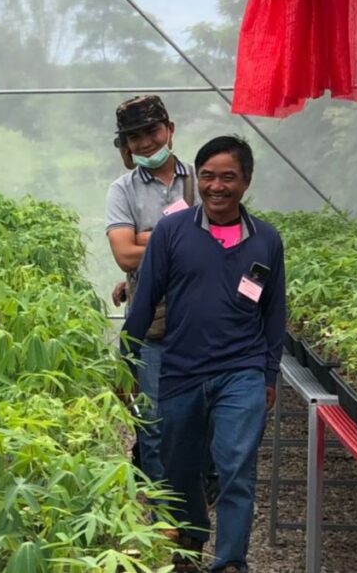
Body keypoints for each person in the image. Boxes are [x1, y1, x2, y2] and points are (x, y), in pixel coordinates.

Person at [122, 135, 286, 573]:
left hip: (242, 370)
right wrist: (128, 361)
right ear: (198, 178)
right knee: (179, 463)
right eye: (208, 176)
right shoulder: (173, 232)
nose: (216, 186)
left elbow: (275, 313)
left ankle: (230, 561)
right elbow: (145, 301)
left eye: (228, 177)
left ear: (246, 181)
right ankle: (190, 536)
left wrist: (268, 374)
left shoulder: (266, 240)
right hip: (181, 369)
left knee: (236, 465)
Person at [105, 95, 195, 486]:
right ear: (125, 145)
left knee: (197, 415)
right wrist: (180, 240)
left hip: (202, 323)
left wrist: (148, 237)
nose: (145, 143)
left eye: (152, 131)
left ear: (170, 130)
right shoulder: (122, 190)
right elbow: (124, 255)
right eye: (134, 137)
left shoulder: (203, 179)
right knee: (154, 419)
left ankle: (194, 493)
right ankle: (164, 506)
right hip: (153, 324)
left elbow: (222, 245)